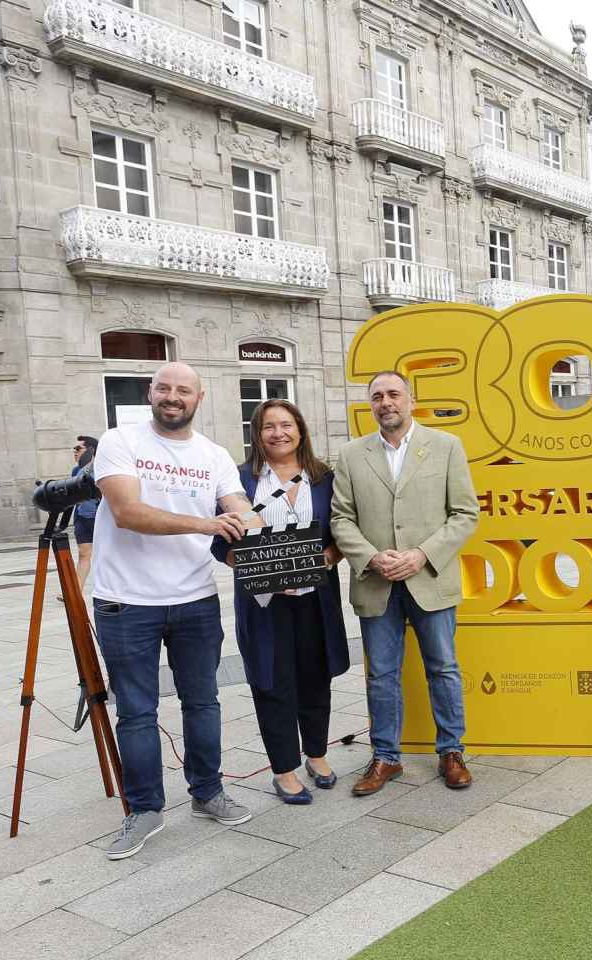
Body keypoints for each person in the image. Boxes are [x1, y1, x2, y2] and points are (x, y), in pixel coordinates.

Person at [88, 362, 255, 860]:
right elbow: (127, 512)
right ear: (151, 393)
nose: (173, 396)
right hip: (125, 601)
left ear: (199, 398)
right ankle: (143, 810)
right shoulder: (119, 442)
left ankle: (207, 792)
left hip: (195, 599)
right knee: (137, 712)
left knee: (203, 702)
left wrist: (271, 532)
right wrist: (208, 526)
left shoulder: (214, 454)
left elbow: (239, 508)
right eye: (164, 388)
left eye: (183, 390)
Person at [331, 372, 480, 797]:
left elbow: (465, 513)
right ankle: (385, 758)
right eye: (377, 396)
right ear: (371, 405)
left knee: (444, 668)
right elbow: (341, 518)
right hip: (376, 583)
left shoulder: (446, 446)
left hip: (429, 578)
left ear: (411, 400)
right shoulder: (351, 454)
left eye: (394, 394)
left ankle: (451, 751)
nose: (385, 402)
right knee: (380, 675)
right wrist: (372, 557)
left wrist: (421, 554)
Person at [211, 400, 349, 804]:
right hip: (263, 602)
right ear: (257, 434)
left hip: (315, 596)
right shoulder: (238, 480)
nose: (278, 433)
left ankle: (318, 755)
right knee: (272, 680)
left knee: (315, 674)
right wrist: (258, 568)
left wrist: (324, 560)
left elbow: (341, 532)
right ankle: (283, 769)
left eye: (286, 424)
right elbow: (221, 543)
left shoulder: (324, 478)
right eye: (268, 426)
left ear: (301, 430)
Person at [71, 435, 99, 591]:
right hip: (82, 517)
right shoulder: (76, 470)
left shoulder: (101, 467)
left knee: (106, 555)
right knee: (83, 553)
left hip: (98, 517)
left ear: (90, 451)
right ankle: (75, 591)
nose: (74, 452)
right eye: (74, 449)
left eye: (78, 449)